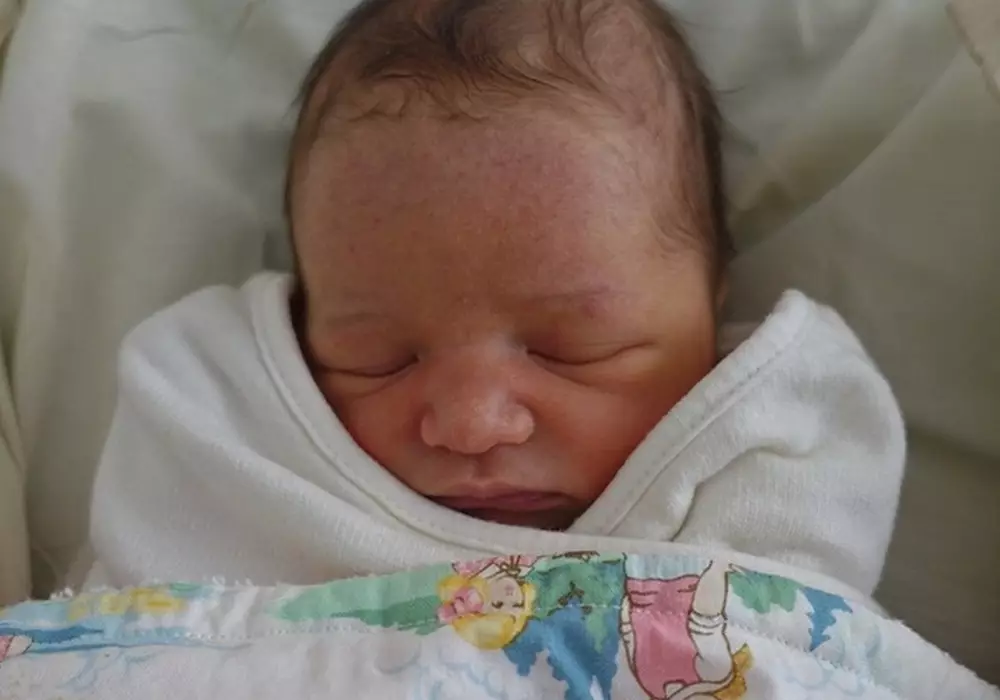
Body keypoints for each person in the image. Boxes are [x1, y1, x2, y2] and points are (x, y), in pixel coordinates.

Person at [83, 0, 905, 602]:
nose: (472, 426)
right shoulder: (222, 440)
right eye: (378, 359)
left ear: (711, 302)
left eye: (569, 348)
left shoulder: (782, 455)